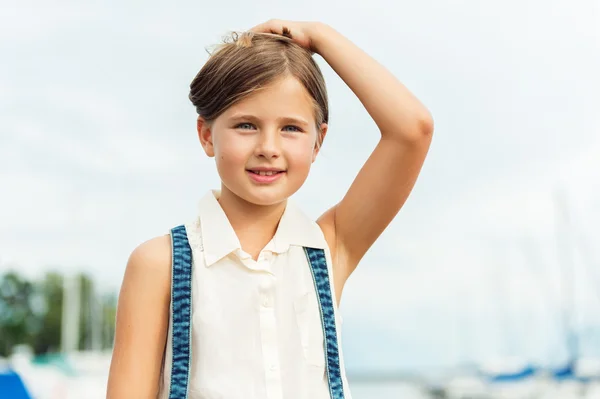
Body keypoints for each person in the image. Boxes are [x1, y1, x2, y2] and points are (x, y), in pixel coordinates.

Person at [106, 19, 433, 399]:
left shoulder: (327, 249)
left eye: (291, 128)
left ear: (317, 141)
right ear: (207, 135)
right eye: (246, 125)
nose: (268, 147)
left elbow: (413, 129)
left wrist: (318, 37)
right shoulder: (161, 263)